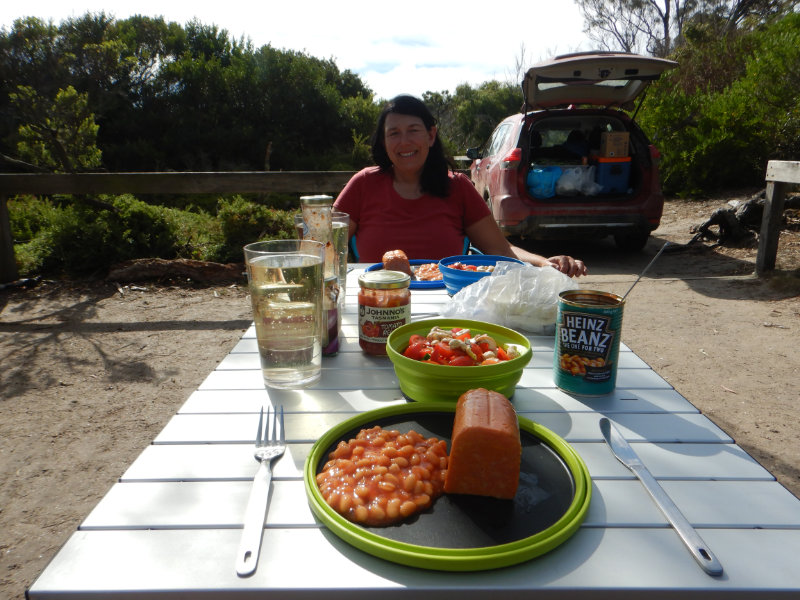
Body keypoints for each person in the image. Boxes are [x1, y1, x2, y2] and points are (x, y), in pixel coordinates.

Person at [333, 95, 587, 277]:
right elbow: (327, 246)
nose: (404, 141)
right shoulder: (362, 184)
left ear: (431, 135)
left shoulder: (458, 187)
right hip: (376, 305)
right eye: (394, 133)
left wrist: (545, 263)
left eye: (413, 130)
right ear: (383, 141)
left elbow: (502, 249)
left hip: (447, 311)